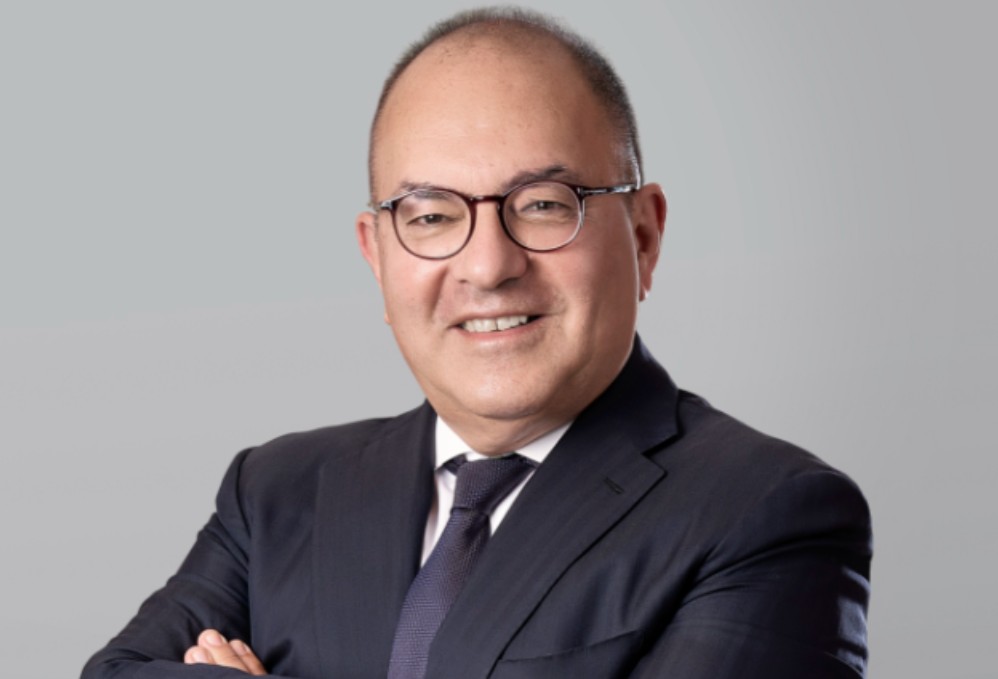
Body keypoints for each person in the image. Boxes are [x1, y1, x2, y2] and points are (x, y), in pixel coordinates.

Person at [82, 7, 872, 679]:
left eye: (544, 204)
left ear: (644, 234)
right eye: (431, 216)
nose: (489, 265)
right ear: (377, 255)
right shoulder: (278, 492)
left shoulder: (764, 512)